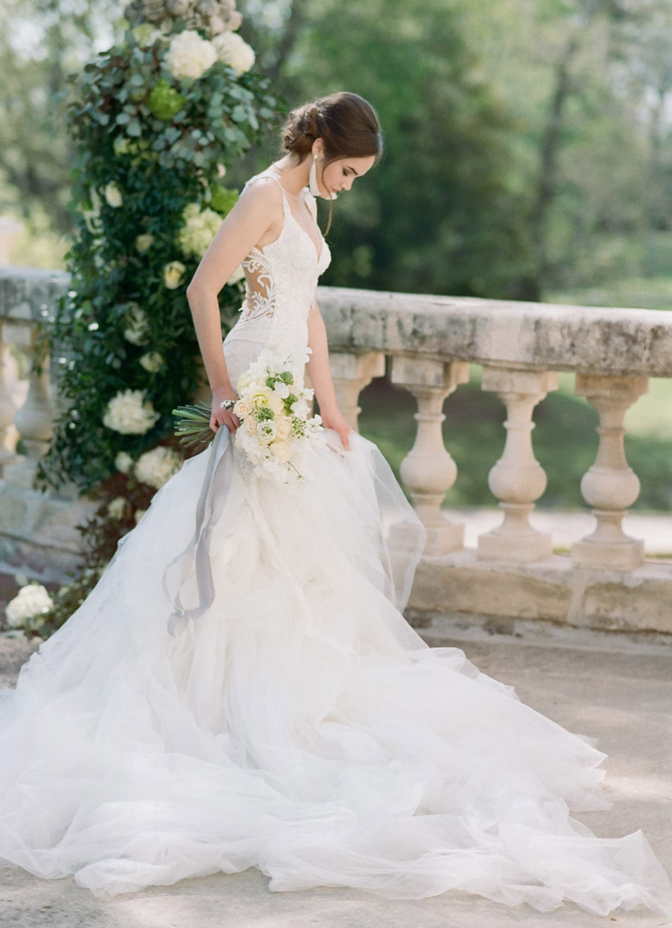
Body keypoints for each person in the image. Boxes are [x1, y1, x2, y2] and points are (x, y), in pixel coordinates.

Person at [0, 91, 671, 917]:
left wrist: (332, 404)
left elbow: (309, 313)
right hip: (249, 383)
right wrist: (224, 390)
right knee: (236, 544)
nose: (349, 185)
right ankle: (216, 710)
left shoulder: (310, 203)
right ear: (317, 145)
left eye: (356, 176)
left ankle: (280, 699)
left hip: (288, 388)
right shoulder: (261, 196)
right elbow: (205, 290)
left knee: (297, 558)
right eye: (347, 169)